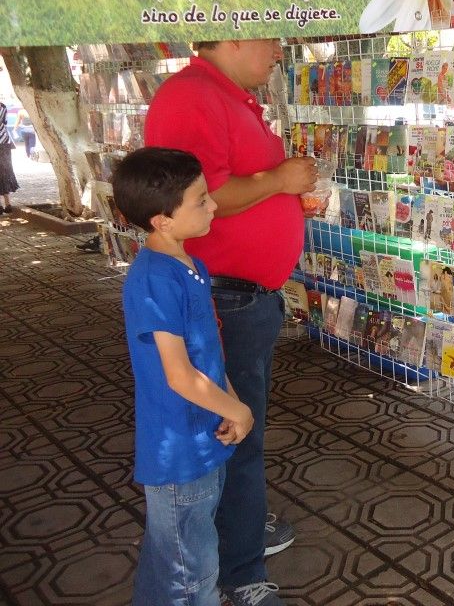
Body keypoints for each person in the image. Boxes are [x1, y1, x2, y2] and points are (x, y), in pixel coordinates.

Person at [145, 39, 316, 606]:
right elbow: (210, 192)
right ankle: (238, 575)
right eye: (270, 38)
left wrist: (283, 198)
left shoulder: (230, 96)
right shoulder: (192, 98)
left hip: (245, 297)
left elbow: (231, 186)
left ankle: (239, 527)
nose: (277, 52)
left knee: (242, 432)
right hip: (223, 299)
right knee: (234, 434)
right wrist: (281, 184)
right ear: (236, 34)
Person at [112, 147, 254, 606]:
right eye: (201, 199)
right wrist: (238, 409)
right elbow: (178, 374)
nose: (213, 205)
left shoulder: (190, 266)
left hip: (203, 434)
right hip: (178, 450)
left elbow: (205, 353)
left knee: (172, 553)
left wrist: (228, 397)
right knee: (191, 570)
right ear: (162, 221)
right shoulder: (155, 279)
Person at [0, 102, 18, 212]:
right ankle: (8, 204)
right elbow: (4, 122)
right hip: (4, 141)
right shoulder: (3, 106)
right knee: (5, 171)